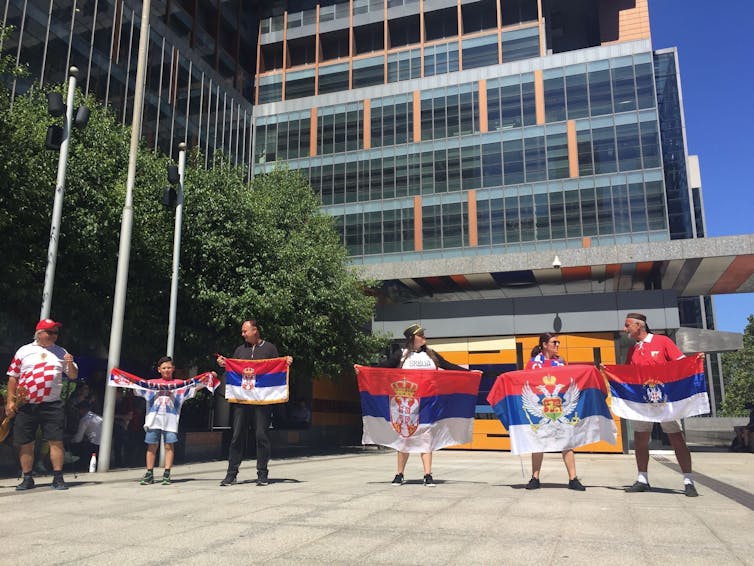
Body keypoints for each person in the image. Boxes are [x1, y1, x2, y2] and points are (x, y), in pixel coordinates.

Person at [377, 323, 472, 487]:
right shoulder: (401, 355)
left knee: (426, 439)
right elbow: (382, 367)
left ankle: (428, 475)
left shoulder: (431, 355)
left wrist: (470, 373)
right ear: (412, 338)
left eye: (423, 334)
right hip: (406, 404)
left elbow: (448, 366)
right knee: (404, 438)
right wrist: (363, 369)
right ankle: (399, 474)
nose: (423, 336)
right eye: (420, 334)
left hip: (428, 404)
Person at [622, 312, 703, 497]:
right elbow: (627, 374)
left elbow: (682, 364)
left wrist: (696, 360)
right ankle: (642, 479)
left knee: (676, 438)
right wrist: (610, 371)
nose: (624, 329)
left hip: (666, 401)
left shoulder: (662, 341)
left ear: (639, 325)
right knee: (641, 439)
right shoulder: (632, 350)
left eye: (627, 325)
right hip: (643, 402)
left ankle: (688, 481)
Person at [217, 319, 293, 487]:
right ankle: (231, 474)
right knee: (237, 436)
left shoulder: (269, 348)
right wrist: (225, 364)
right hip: (242, 401)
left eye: (245, 331)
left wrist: (285, 362)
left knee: (261, 436)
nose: (242, 334)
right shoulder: (239, 350)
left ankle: (262, 473)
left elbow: (277, 369)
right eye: (242, 332)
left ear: (255, 330)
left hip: (262, 402)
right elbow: (234, 371)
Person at [5, 318, 79, 491]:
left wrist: (69, 363)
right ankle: (27, 477)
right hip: (26, 403)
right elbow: (13, 377)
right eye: (50, 332)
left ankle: (58, 477)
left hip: (52, 404)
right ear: (39, 333)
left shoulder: (61, 352)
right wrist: (10, 400)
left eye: (56, 333)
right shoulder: (24, 351)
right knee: (26, 442)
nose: (54, 336)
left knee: (56, 440)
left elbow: (74, 375)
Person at [523, 333, 585, 491]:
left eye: (557, 342)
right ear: (544, 344)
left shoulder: (561, 362)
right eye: (554, 342)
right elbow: (526, 383)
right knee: (537, 443)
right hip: (542, 407)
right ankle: (535, 478)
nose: (557, 345)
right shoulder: (533, 364)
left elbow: (570, 381)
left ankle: (573, 479)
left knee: (567, 443)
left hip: (560, 407)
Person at [136, 356, 197, 486]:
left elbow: (193, 389)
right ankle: (149, 473)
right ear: (159, 369)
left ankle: (167, 473)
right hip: (153, 419)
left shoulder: (180, 384)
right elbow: (136, 386)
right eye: (164, 368)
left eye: (169, 367)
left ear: (173, 368)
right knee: (151, 446)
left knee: (169, 446)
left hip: (171, 420)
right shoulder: (151, 383)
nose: (167, 370)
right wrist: (124, 378)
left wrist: (206, 379)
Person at [69, 401, 102, 466]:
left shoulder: (84, 420)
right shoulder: (98, 417)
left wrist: (70, 440)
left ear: (82, 410)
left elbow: (78, 439)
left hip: (94, 444)